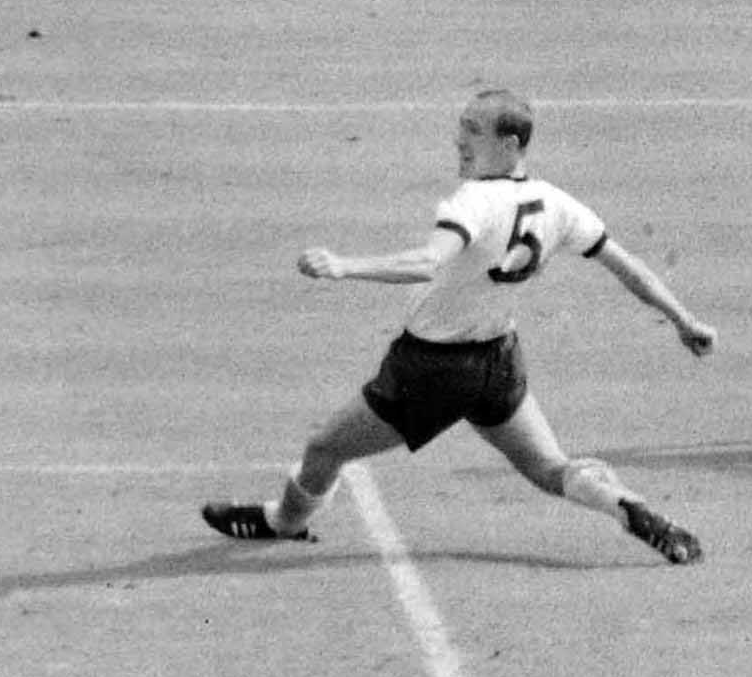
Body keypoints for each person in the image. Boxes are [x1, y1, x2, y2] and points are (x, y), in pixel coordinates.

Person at [199, 88, 715, 563]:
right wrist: (684, 320)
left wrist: (344, 264)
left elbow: (429, 262)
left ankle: (283, 521)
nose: (459, 140)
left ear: (510, 142)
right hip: (499, 361)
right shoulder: (558, 202)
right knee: (548, 469)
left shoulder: (474, 201)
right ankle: (620, 501)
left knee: (325, 449)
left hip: (432, 368)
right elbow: (626, 266)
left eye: (473, 129)